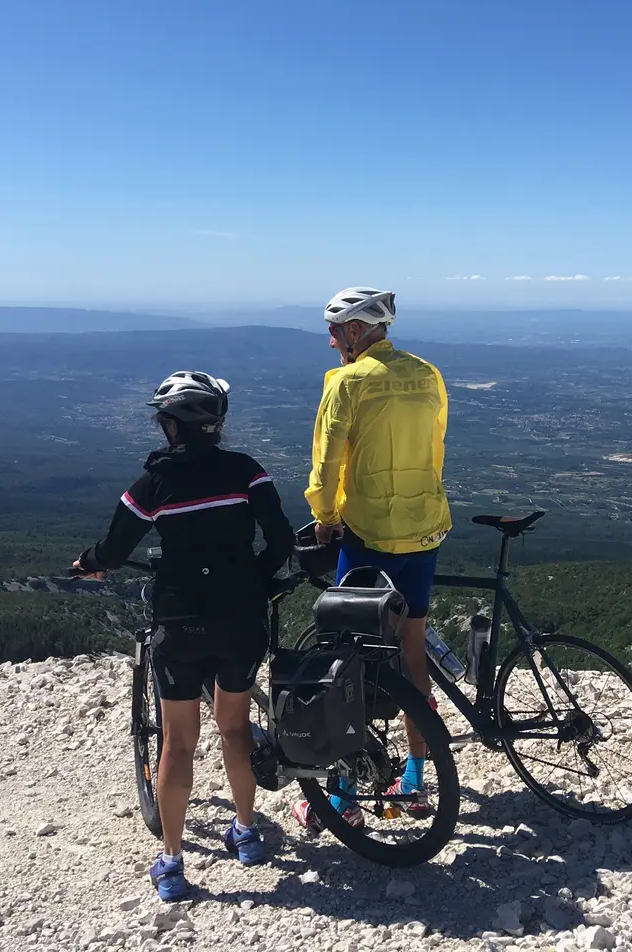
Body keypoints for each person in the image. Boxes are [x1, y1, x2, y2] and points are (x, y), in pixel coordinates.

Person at [72, 370, 293, 900]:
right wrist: (254, 583)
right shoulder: (248, 471)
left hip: (180, 622)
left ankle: (171, 863)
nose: (160, 426)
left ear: (176, 426)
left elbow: (117, 548)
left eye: (162, 418)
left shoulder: (154, 484)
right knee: (236, 732)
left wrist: (87, 563)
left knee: (177, 742)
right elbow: (282, 540)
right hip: (241, 620)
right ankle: (247, 835)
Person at [292, 287, 451, 832]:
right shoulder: (428, 374)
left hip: (368, 537)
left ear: (358, 331)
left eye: (336, 330)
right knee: (412, 657)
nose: (332, 340)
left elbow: (326, 460)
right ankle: (414, 778)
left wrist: (325, 515)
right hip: (425, 532)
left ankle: (340, 796)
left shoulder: (348, 381)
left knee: (347, 662)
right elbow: (436, 445)